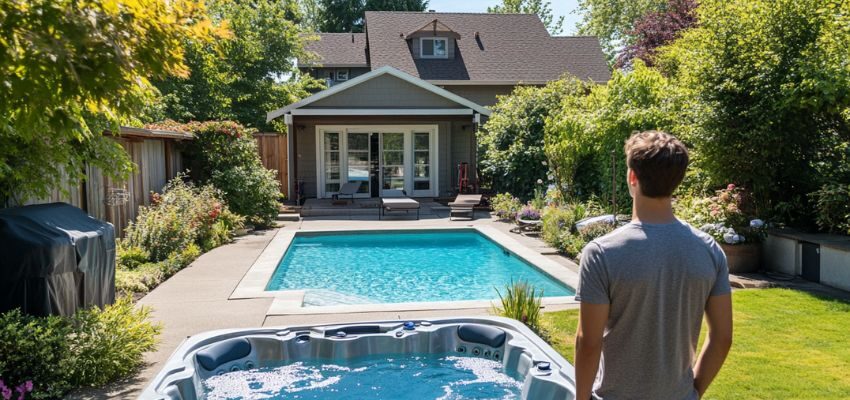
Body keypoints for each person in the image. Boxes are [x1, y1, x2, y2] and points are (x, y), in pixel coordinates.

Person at [574, 130, 733, 399]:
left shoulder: (601, 253)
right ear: (677, 181)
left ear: (632, 177)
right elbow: (722, 337)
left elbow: (588, 343)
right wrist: (694, 391)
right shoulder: (709, 250)